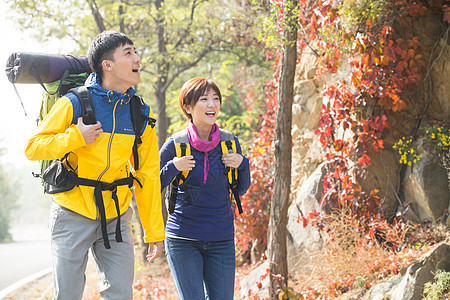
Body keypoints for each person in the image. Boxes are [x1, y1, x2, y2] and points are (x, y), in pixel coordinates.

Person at [24, 31, 165, 300]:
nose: (138, 58)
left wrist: (153, 231)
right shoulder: (75, 102)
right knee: (67, 294)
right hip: (72, 211)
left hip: (117, 215)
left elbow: (147, 175)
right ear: (107, 65)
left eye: (136, 52)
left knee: (121, 295)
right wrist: (76, 136)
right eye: (128, 53)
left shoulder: (139, 113)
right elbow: (33, 147)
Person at [160, 77, 251, 299]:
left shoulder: (230, 142)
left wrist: (244, 165)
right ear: (188, 107)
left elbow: (240, 190)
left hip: (221, 239)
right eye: (204, 99)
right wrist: (173, 167)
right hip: (183, 240)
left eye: (216, 99)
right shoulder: (176, 144)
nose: (212, 105)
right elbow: (152, 184)